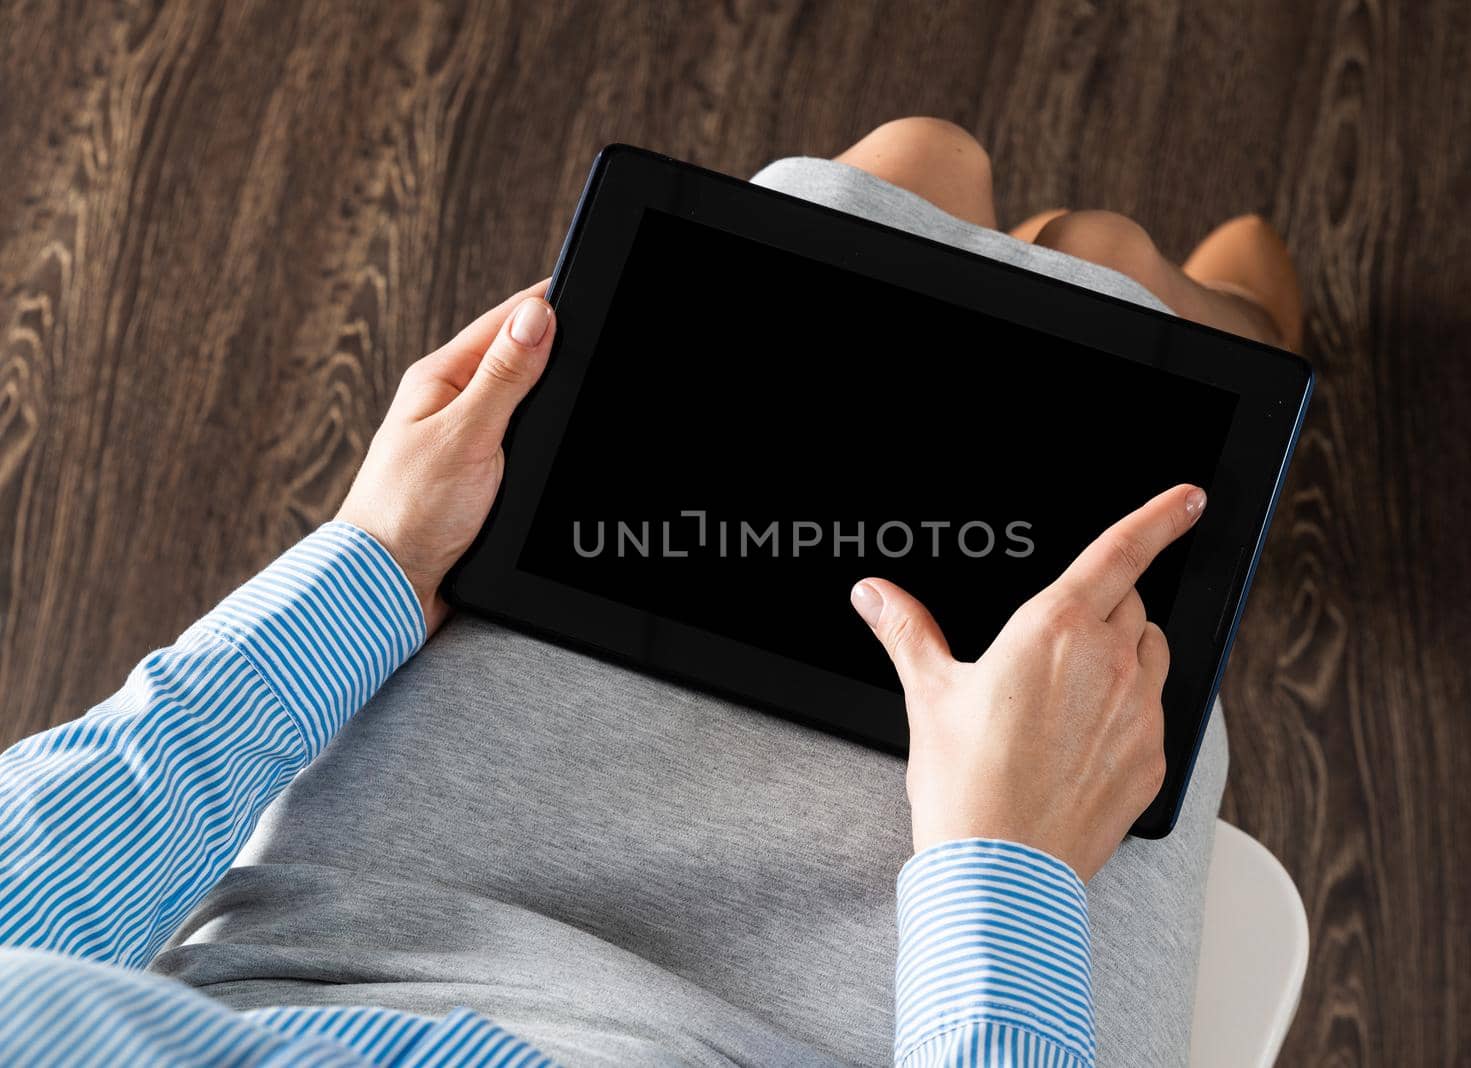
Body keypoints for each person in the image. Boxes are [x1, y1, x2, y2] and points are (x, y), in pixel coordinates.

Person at [0, 118, 1299, 1067]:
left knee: (896, 174)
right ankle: (1199, 318)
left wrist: (377, 565)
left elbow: (26, 901)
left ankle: (1138, 300)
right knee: (1099, 315)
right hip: (857, 1035)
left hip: (352, 943)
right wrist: (1006, 867)